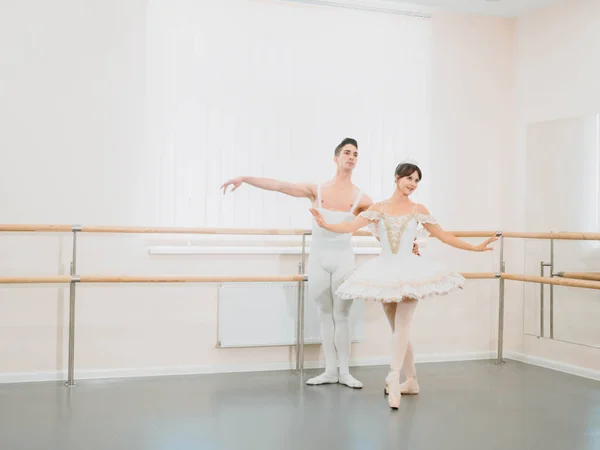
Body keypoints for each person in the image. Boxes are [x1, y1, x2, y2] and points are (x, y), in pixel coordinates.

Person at [309, 160, 497, 409]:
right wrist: (326, 225)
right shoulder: (378, 208)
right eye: (410, 178)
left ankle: (393, 378)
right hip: (385, 272)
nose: (413, 184)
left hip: (410, 271)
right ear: (397, 177)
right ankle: (412, 381)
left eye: (417, 181)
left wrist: (475, 247)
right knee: (399, 330)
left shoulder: (418, 209)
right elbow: (350, 226)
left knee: (403, 324)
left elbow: (444, 235)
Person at [220, 138, 373, 388]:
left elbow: (382, 222)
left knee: (342, 314)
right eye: (347, 152)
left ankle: (345, 372)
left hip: (344, 258)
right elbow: (280, 186)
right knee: (324, 313)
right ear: (336, 159)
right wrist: (245, 178)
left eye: (355, 154)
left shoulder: (362, 198)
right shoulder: (316, 190)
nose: (351, 157)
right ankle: (330, 371)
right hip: (319, 259)